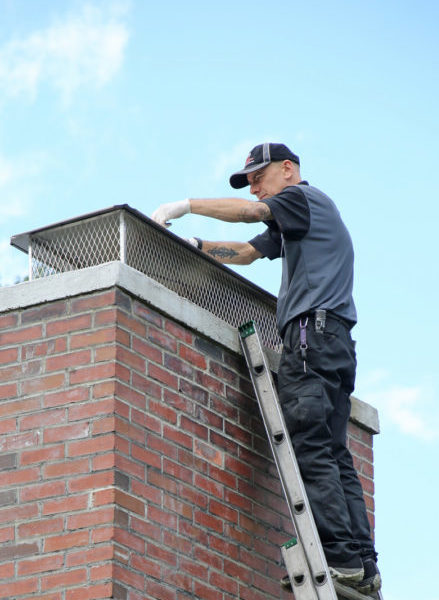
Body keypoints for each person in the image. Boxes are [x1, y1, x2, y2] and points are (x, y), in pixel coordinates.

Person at [151, 143, 381, 594]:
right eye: (249, 180)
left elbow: (249, 214)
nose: (255, 186)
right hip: (335, 342)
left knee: (312, 451)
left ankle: (341, 561)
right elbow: (248, 252)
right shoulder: (303, 219)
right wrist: (196, 246)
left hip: (310, 340)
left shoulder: (301, 198)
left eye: (260, 175)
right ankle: (363, 564)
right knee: (333, 454)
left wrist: (185, 205)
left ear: (288, 170)